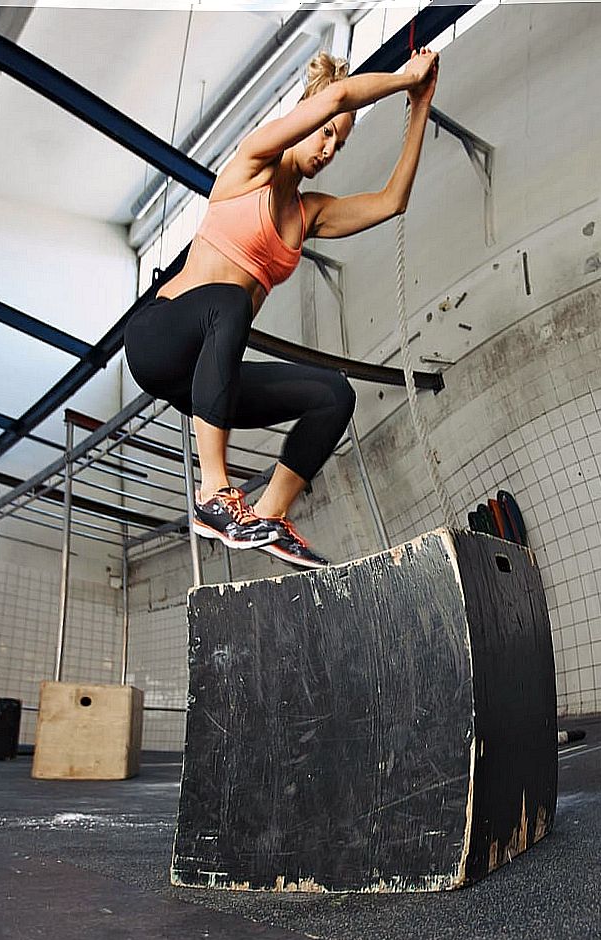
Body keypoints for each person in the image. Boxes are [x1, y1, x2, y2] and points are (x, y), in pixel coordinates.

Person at [124, 48, 440, 569]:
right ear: (308, 116)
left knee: (334, 394)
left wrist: (420, 103)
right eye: (326, 132)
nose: (330, 149)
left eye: (340, 142)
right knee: (229, 301)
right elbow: (338, 93)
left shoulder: (307, 213)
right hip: (159, 339)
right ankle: (213, 495)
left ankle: (270, 515)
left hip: (204, 377)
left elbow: (391, 202)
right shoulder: (253, 165)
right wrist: (404, 77)